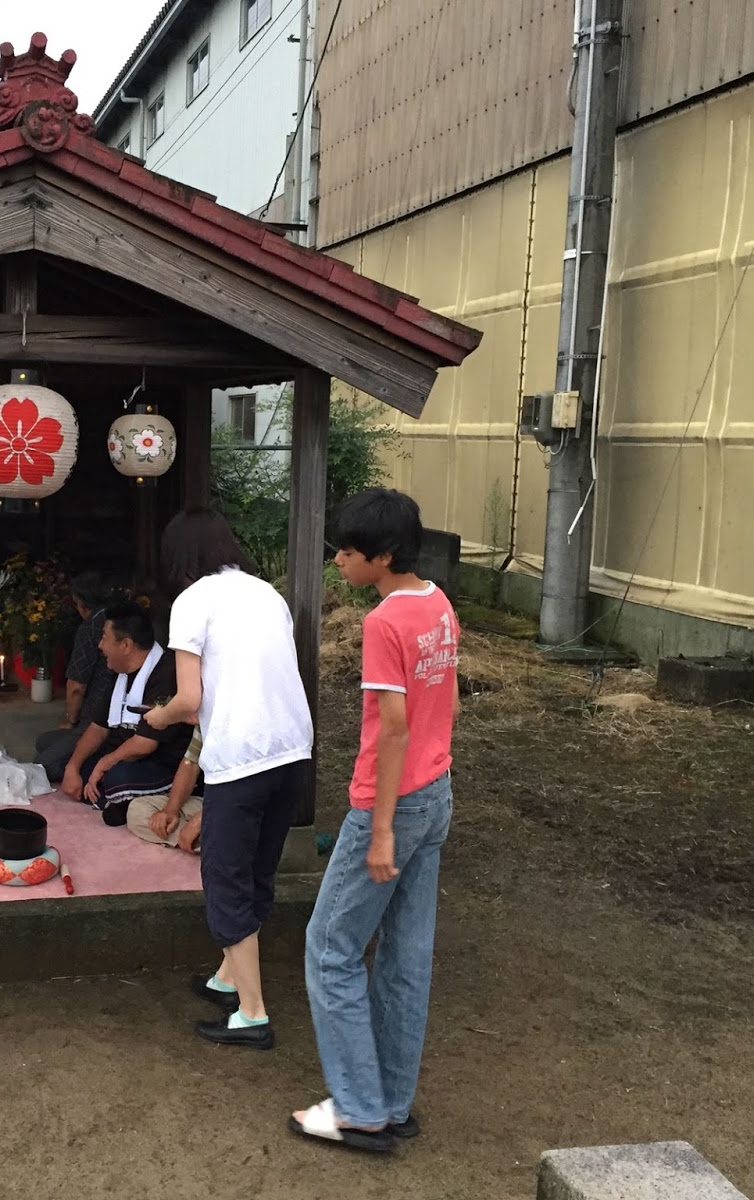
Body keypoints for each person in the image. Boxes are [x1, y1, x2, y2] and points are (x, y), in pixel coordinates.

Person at [290, 488, 459, 1153]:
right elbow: (440, 707)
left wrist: (381, 825)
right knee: (404, 956)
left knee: (330, 947)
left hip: (389, 804)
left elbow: (392, 728)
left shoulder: (384, 623)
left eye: (348, 552)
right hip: (435, 792)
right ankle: (390, 1100)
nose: (338, 561)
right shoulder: (438, 605)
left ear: (382, 557)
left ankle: (360, 1107)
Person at [144, 510, 312, 1050]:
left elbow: (190, 701)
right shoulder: (268, 593)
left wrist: (158, 716)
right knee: (257, 871)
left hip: (240, 757)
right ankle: (227, 976)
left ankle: (253, 1014)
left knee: (225, 879)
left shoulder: (192, 601)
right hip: (292, 751)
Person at [58, 603, 194, 826]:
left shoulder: (167, 672)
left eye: (104, 638)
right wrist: (72, 768)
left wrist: (104, 763)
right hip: (123, 753)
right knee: (73, 766)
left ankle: (121, 802)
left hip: (161, 763)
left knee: (114, 779)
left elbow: (144, 744)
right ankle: (115, 801)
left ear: (126, 645)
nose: (100, 646)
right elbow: (98, 727)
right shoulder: (120, 671)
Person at [34, 572, 114, 782]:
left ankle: (94, 766)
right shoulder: (112, 617)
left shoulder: (92, 626)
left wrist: (71, 719)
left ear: (81, 603)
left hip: (99, 721)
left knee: (42, 766)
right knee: (44, 741)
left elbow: (77, 685)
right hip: (102, 715)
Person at [129, 732, 204, 850]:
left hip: (235, 807)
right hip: (209, 802)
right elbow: (191, 763)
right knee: (137, 810)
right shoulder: (208, 720)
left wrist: (201, 820)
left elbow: (241, 791)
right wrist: (170, 810)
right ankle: (201, 840)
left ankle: (212, 840)